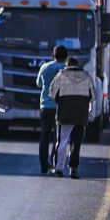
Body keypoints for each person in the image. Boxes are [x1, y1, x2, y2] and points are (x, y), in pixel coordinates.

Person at [50, 56, 95, 179]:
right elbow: (92, 96)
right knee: (76, 143)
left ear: (67, 65)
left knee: (62, 142)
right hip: (81, 115)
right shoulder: (87, 76)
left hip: (64, 114)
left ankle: (58, 169)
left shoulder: (60, 76)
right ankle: (73, 169)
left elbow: (52, 94)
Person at [36, 45, 68, 174]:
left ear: (53, 55)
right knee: (58, 137)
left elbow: (39, 83)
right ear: (66, 57)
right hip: (60, 107)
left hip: (45, 106)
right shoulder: (65, 69)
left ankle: (43, 164)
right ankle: (54, 162)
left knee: (44, 135)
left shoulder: (44, 67)